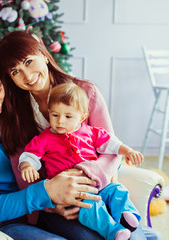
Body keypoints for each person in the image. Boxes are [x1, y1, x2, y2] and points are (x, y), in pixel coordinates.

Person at [0, 30, 163, 240]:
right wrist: (53, 205)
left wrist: (85, 176)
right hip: (58, 204)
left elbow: (110, 150)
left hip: (98, 186)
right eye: (15, 71)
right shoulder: (17, 116)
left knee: (131, 233)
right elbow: (23, 172)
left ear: (44, 55)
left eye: (28, 62)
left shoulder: (85, 92)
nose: (27, 76)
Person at [0, 51, 102, 240]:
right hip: (5, 223)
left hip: (46, 207)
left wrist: (52, 199)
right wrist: (48, 192)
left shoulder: (18, 107)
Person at [18, 82, 143, 240]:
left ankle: (126, 215)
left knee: (117, 190)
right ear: (49, 112)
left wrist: (128, 151)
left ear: (82, 117)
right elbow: (30, 154)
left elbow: (111, 144)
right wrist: (27, 166)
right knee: (91, 207)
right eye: (55, 115)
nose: (60, 121)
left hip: (99, 185)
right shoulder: (45, 138)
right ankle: (114, 231)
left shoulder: (89, 132)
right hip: (74, 193)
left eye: (68, 116)